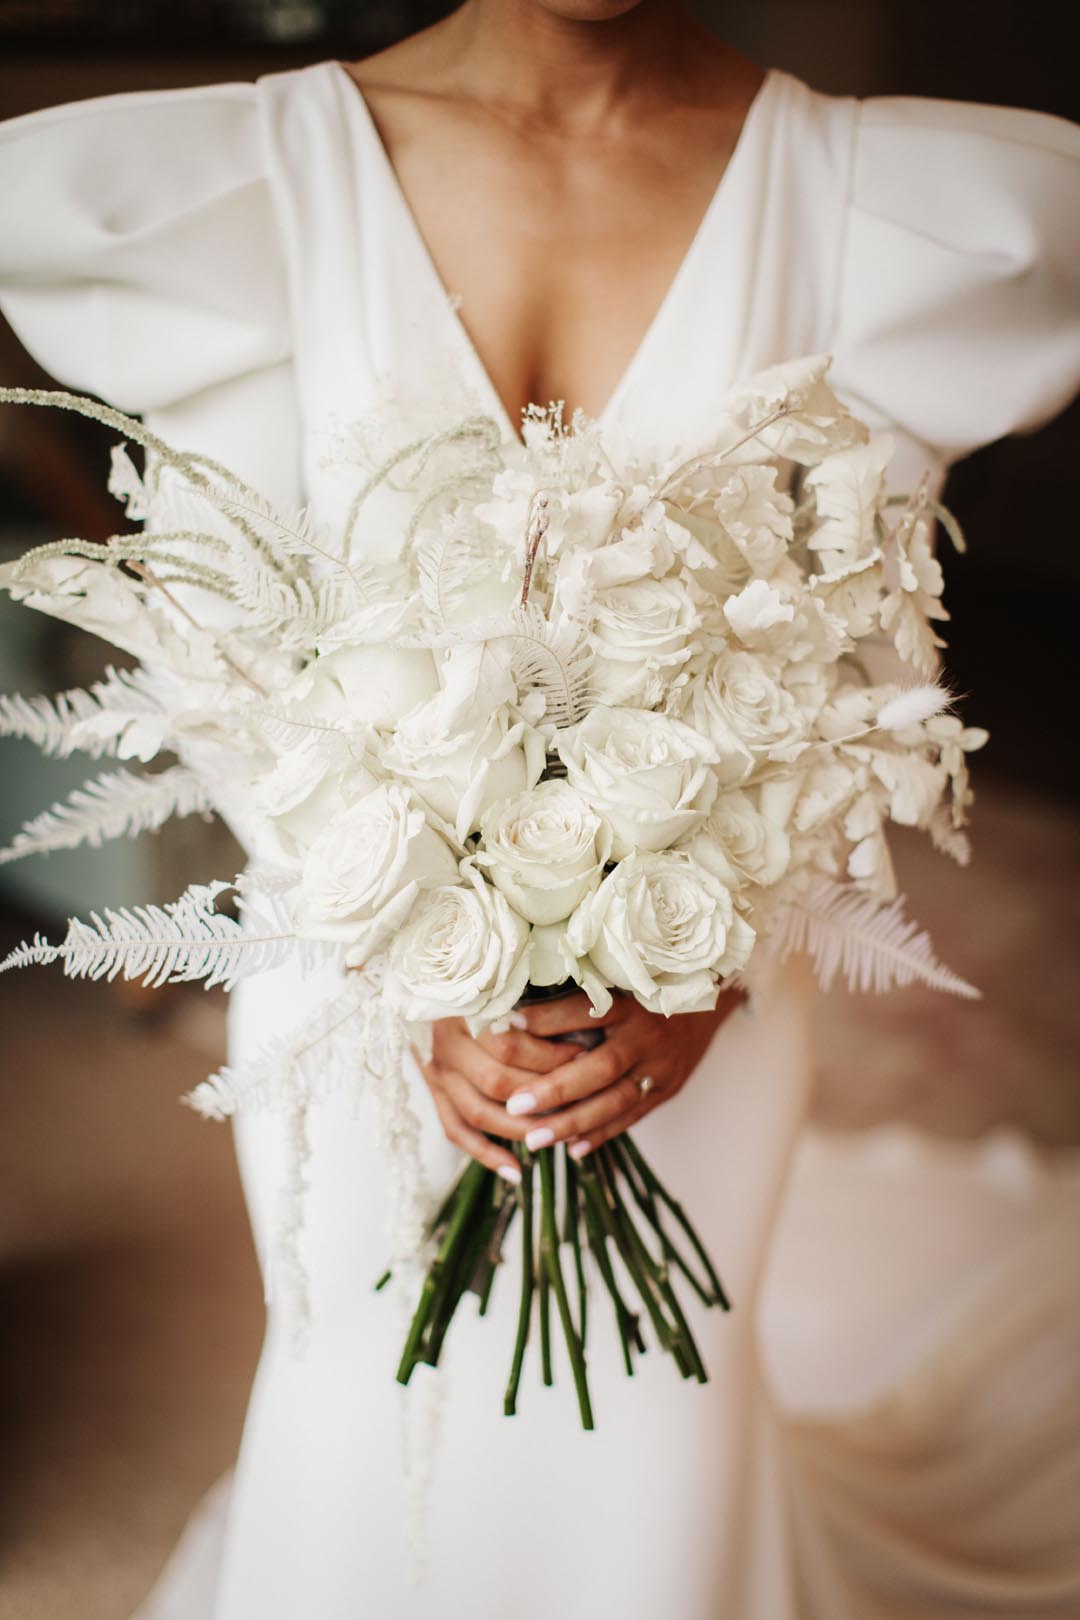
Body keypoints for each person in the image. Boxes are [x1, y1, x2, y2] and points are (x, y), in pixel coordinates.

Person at [1, 3, 1079, 1616]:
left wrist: (711, 960)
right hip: (356, 977)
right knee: (362, 1426)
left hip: (692, 992)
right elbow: (233, 655)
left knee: (653, 1450)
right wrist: (410, 954)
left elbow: (857, 651)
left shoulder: (870, 203)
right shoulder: (246, 182)